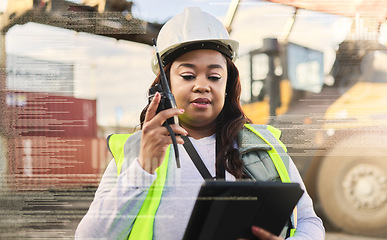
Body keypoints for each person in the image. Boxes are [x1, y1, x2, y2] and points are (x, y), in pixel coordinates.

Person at [75, 7, 325, 240]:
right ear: (165, 85)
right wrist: (143, 169)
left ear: (227, 86)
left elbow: (308, 220)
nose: (202, 85)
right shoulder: (134, 151)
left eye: (214, 76)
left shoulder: (265, 147)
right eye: (188, 75)